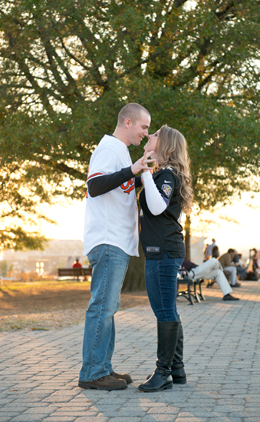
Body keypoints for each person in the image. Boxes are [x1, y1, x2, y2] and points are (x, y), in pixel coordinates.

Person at [78, 103, 152, 391]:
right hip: (108, 240)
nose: (146, 134)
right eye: (144, 127)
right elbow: (94, 187)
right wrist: (131, 170)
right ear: (128, 121)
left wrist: (138, 174)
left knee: (109, 307)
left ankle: (103, 367)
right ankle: (93, 373)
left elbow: (120, 190)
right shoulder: (109, 147)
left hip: (118, 241)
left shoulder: (121, 151)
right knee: (102, 307)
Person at [137, 125, 192, 392]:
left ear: (166, 145)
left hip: (163, 252)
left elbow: (158, 207)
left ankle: (163, 373)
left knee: (164, 311)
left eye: (155, 134)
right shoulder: (165, 174)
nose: (149, 136)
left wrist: (146, 173)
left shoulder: (167, 175)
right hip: (163, 251)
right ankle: (177, 369)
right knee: (168, 309)